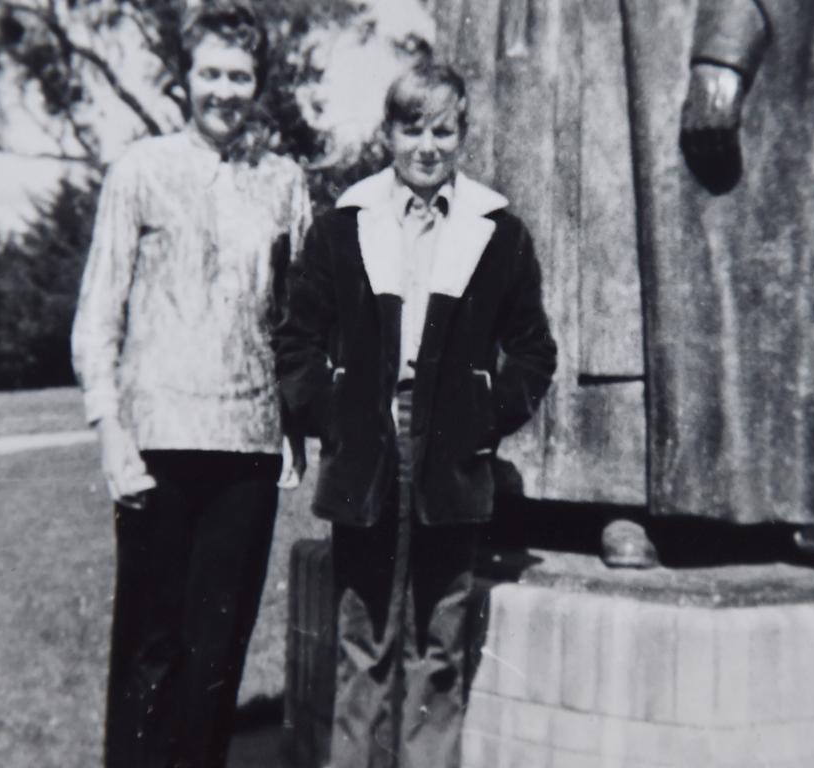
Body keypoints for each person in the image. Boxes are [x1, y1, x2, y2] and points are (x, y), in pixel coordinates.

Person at [275, 62, 557, 768]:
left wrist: (483, 415)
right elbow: (297, 337)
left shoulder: (497, 232)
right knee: (362, 639)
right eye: (411, 129)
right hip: (368, 449)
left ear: (462, 133)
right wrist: (330, 414)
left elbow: (533, 349)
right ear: (387, 134)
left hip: (451, 457)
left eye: (443, 130)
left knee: (440, 641)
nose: (426, 146)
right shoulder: (346, 225)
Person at [70, 3, 310, 767]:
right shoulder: (139, 170)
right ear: (186, 78)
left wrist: (296, 425)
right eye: (211, 73)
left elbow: (297, 320)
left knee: (217, 658)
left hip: (246, 448)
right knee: (152, 647)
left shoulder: (283, 183)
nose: (225, 90)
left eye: (240, 76)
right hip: (157, 443)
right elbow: (97, 311)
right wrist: (109, 427)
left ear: (259, 84)